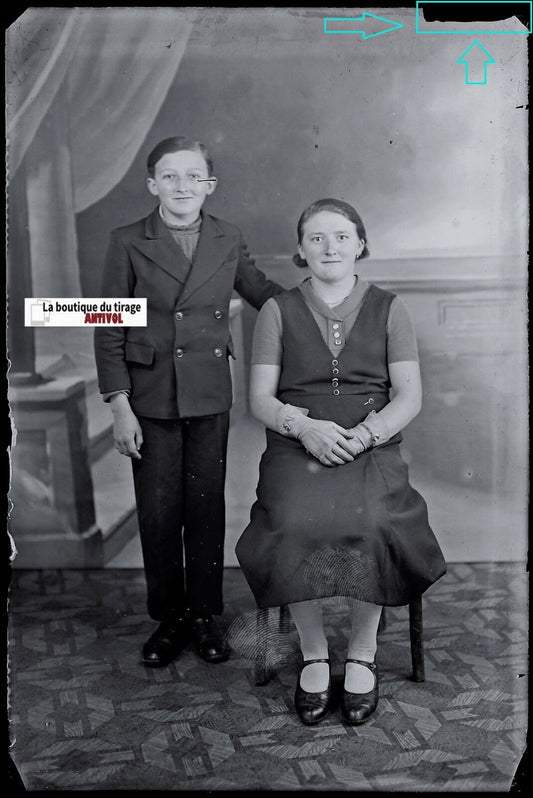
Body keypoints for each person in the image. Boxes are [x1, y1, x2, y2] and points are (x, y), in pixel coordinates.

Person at [235, 198, 446, 725]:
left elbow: (409, 395)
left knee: (372, 523)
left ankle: (361, 653)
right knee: (291, 524)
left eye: (341, 236)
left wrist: (367, 434)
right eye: (316, 238)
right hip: (295, 445)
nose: (330, 247)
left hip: (369, 445)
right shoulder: (279, 310)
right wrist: (304, 427)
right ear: (300, 251)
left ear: (360, 245)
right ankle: (312, 653)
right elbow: (259, 399)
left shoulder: (390, 307)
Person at [94, 136, 283, 668]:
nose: (182, 186)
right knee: (158, 513)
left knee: (205, 509)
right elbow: (106, 325)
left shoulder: (227, 236)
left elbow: (261, 290)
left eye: (193, 177)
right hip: (149, 397)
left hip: (207, 395)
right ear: (152, 184)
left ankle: (204, 615)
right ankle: (169, 617)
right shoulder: (127, 240)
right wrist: (118, 404)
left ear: (209, 185)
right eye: (170, 176)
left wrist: (315, 304)